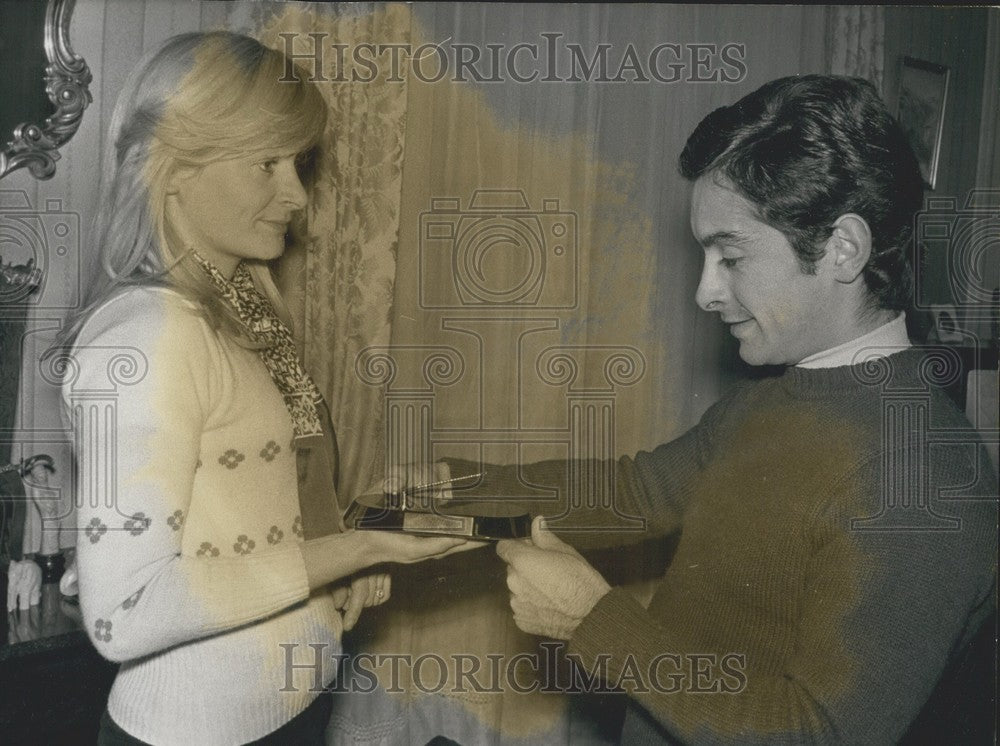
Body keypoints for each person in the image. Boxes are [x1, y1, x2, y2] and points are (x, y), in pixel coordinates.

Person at [463, 75, 997, 743]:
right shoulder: (770, 402)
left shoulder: (924, 478)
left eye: (731, 256)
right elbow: (636, 491)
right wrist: (442, 490)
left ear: (843, 248)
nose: (705, 293)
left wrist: (592, 621)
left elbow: (813, 734)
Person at [53, 32, 477, 745]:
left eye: (299, 163)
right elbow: (121, 614)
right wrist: (361, 551)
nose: (298, 194)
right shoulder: (143, 338)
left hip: (294, 706)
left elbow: (258, 507)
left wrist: (346, 545)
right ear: (176, 168)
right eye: (268, 164)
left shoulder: (247, 297)